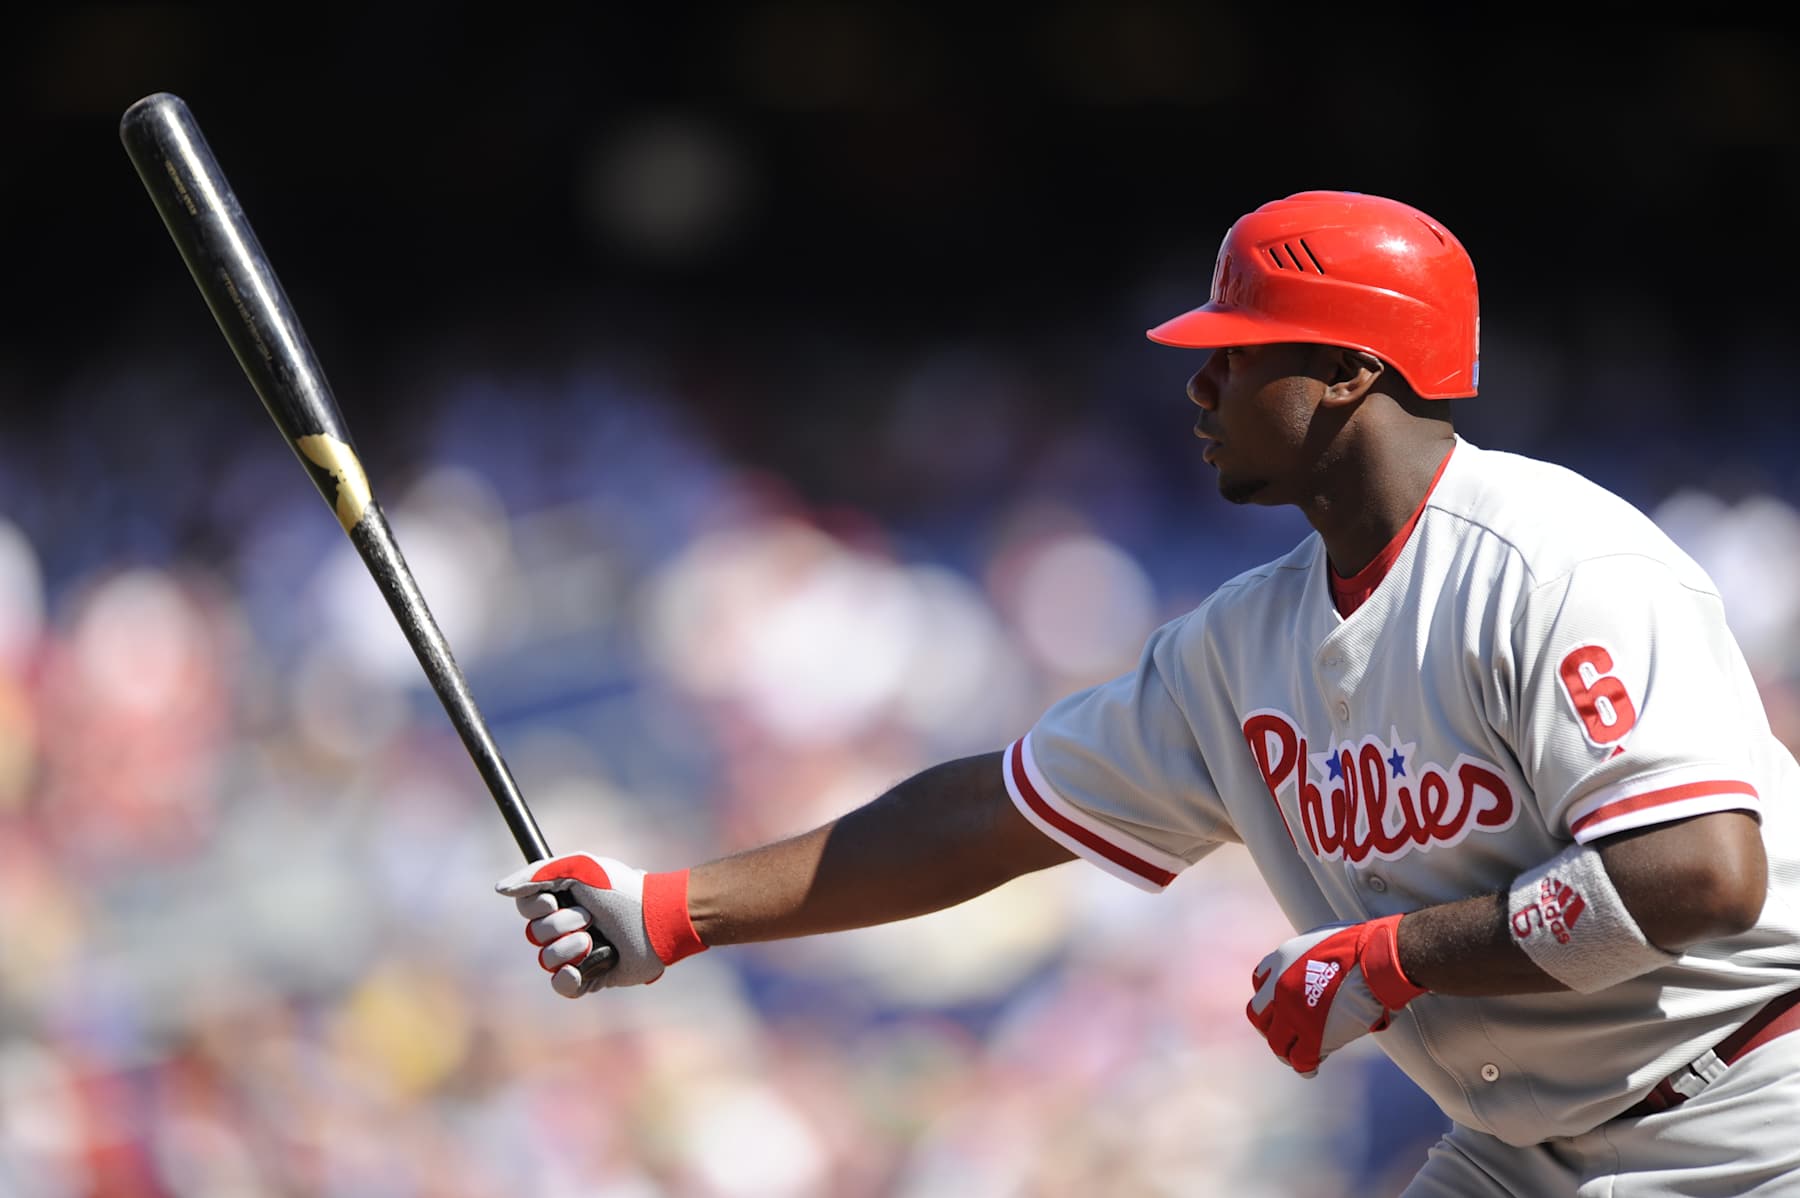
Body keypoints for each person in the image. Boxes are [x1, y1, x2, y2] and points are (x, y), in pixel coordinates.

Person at [497, 191, 1800, 1195]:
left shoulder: (1565, 565)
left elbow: (1697, 872)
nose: (1199, 381)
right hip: (1521, 1146)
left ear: (1350, 369)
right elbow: (987, 815)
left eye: (1238, 352)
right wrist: (670, 911)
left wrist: (1391, 956)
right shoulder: (1241, 645)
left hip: (1745, 1117)